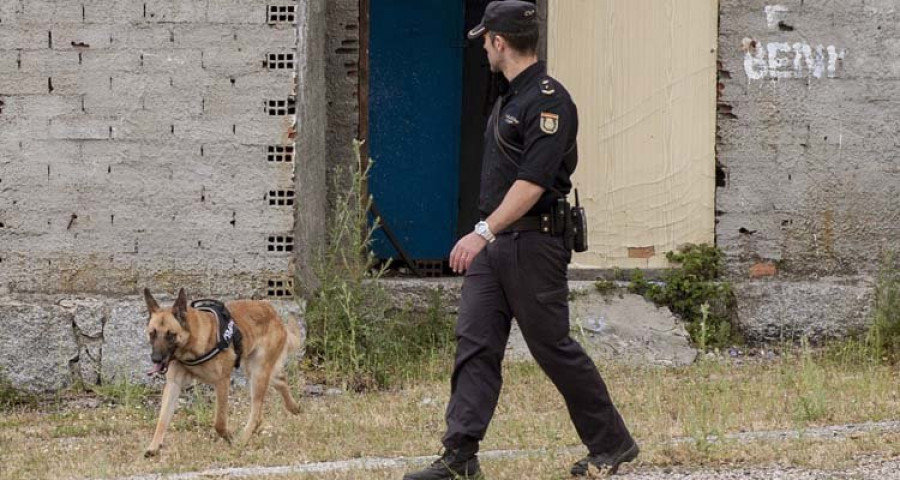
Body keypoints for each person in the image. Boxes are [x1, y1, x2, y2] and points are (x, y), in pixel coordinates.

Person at [402, 1, 638, 479]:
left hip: (532, 242)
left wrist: (483, 232)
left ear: (499, 42)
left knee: (552, 347)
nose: (484, 49)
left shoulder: (549, 101)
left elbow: (532, 183)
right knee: (476, 343)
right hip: (497, 243)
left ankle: (611, 443)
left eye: (485, 41)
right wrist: (488, 235)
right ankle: (460, 456)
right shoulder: (509, 98)